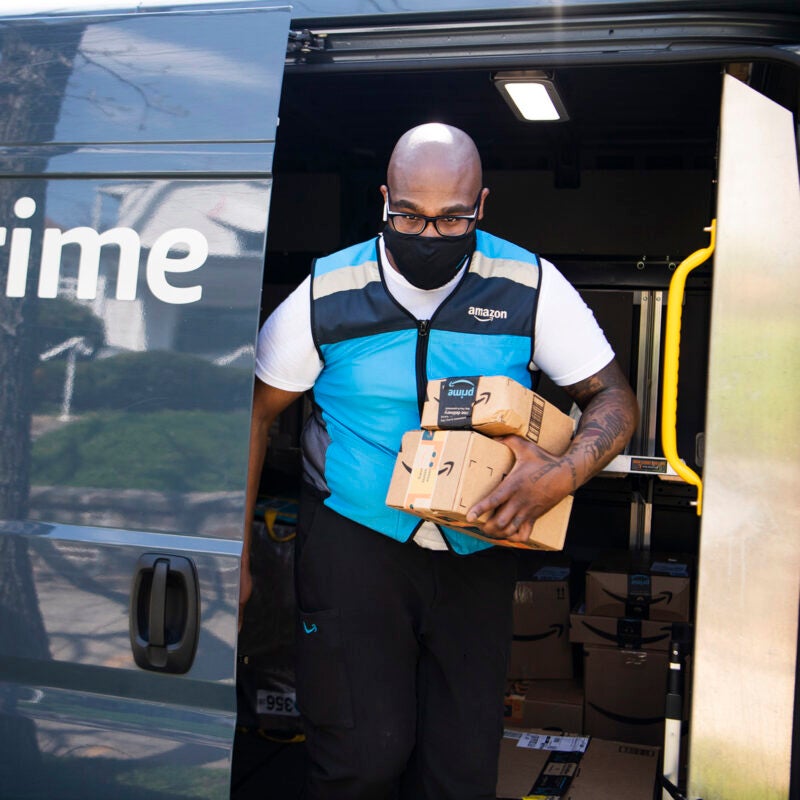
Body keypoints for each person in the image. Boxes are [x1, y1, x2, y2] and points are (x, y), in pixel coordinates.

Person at [240, 122, 639, 799]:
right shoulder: (326, 292)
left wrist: (562, 475)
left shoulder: (527, 283)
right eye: (409, 217)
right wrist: (235, 556)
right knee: (360, 760)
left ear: (481, 205)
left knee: (459, 770)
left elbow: (613, 396)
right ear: (384, 201)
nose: (428, 235)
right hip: (354, 546)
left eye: (451, 219)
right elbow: (253, 414)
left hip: (478, 549)